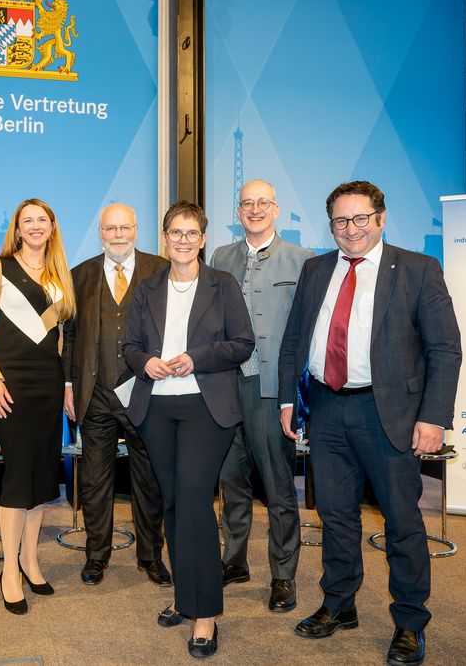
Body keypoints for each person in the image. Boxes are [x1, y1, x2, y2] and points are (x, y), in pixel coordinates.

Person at [279, 181, 460, 666]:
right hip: (327, 408)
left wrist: (434, 417)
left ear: (380, 218)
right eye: (341, 220)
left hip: (389, 413)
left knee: (402, 521)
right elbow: (295, 339)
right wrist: (288, 401)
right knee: (336, 516)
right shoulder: (316, 269)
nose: (351, 229)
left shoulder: (418, 269)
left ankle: (409, 621)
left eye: (360, 218)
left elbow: (444, 349)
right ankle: (339, 605)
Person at [124, 201, 254, 659]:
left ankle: (206, 613)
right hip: (156, 408)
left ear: (203, 239)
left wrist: (196, 358)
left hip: (205, 407)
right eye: (175, 233)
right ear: (164, 239)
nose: (183, 240)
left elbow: (242, 344)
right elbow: (130, 346)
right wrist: (146, 362)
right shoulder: (147, 288)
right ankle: (185, 596)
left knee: (195, 501)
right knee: (174, 503)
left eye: (191, 233)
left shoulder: (223, 285)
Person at [212, 180, 313, 610]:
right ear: (239, 211)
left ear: (276, 209)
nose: (254, 209)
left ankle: (283, 575)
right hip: (224, 385)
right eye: (246, 203)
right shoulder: (220, 257)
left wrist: (295, 394)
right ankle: (234, 560)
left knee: (277, 484)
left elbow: (304, 331)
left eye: (262, 203)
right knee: (230, 479)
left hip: (270, 389)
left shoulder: (302, 260)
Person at [0, 198, 76, 615]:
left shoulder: (59, 273)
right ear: (17, 229)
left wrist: (65, 386)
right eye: (27, 220)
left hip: (47, 385)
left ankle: (31, 561)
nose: (35, 226)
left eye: (42, 220)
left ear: (52, 227)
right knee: (18, 477)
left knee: (40, 477)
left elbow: (61, 338)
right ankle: (9, 571)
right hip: (10, 383)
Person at [62, 203, 170, 587]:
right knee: (95, 481)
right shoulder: (80, 275)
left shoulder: (160, 270)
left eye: (125, 227)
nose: (118, 235)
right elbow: (70, 336)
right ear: (101, 233)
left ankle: (151, 556)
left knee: (149, 480)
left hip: (147, 394)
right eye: (111, 229)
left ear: (136, 230)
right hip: (96, 395)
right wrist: (68, 385)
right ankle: (96, 556)